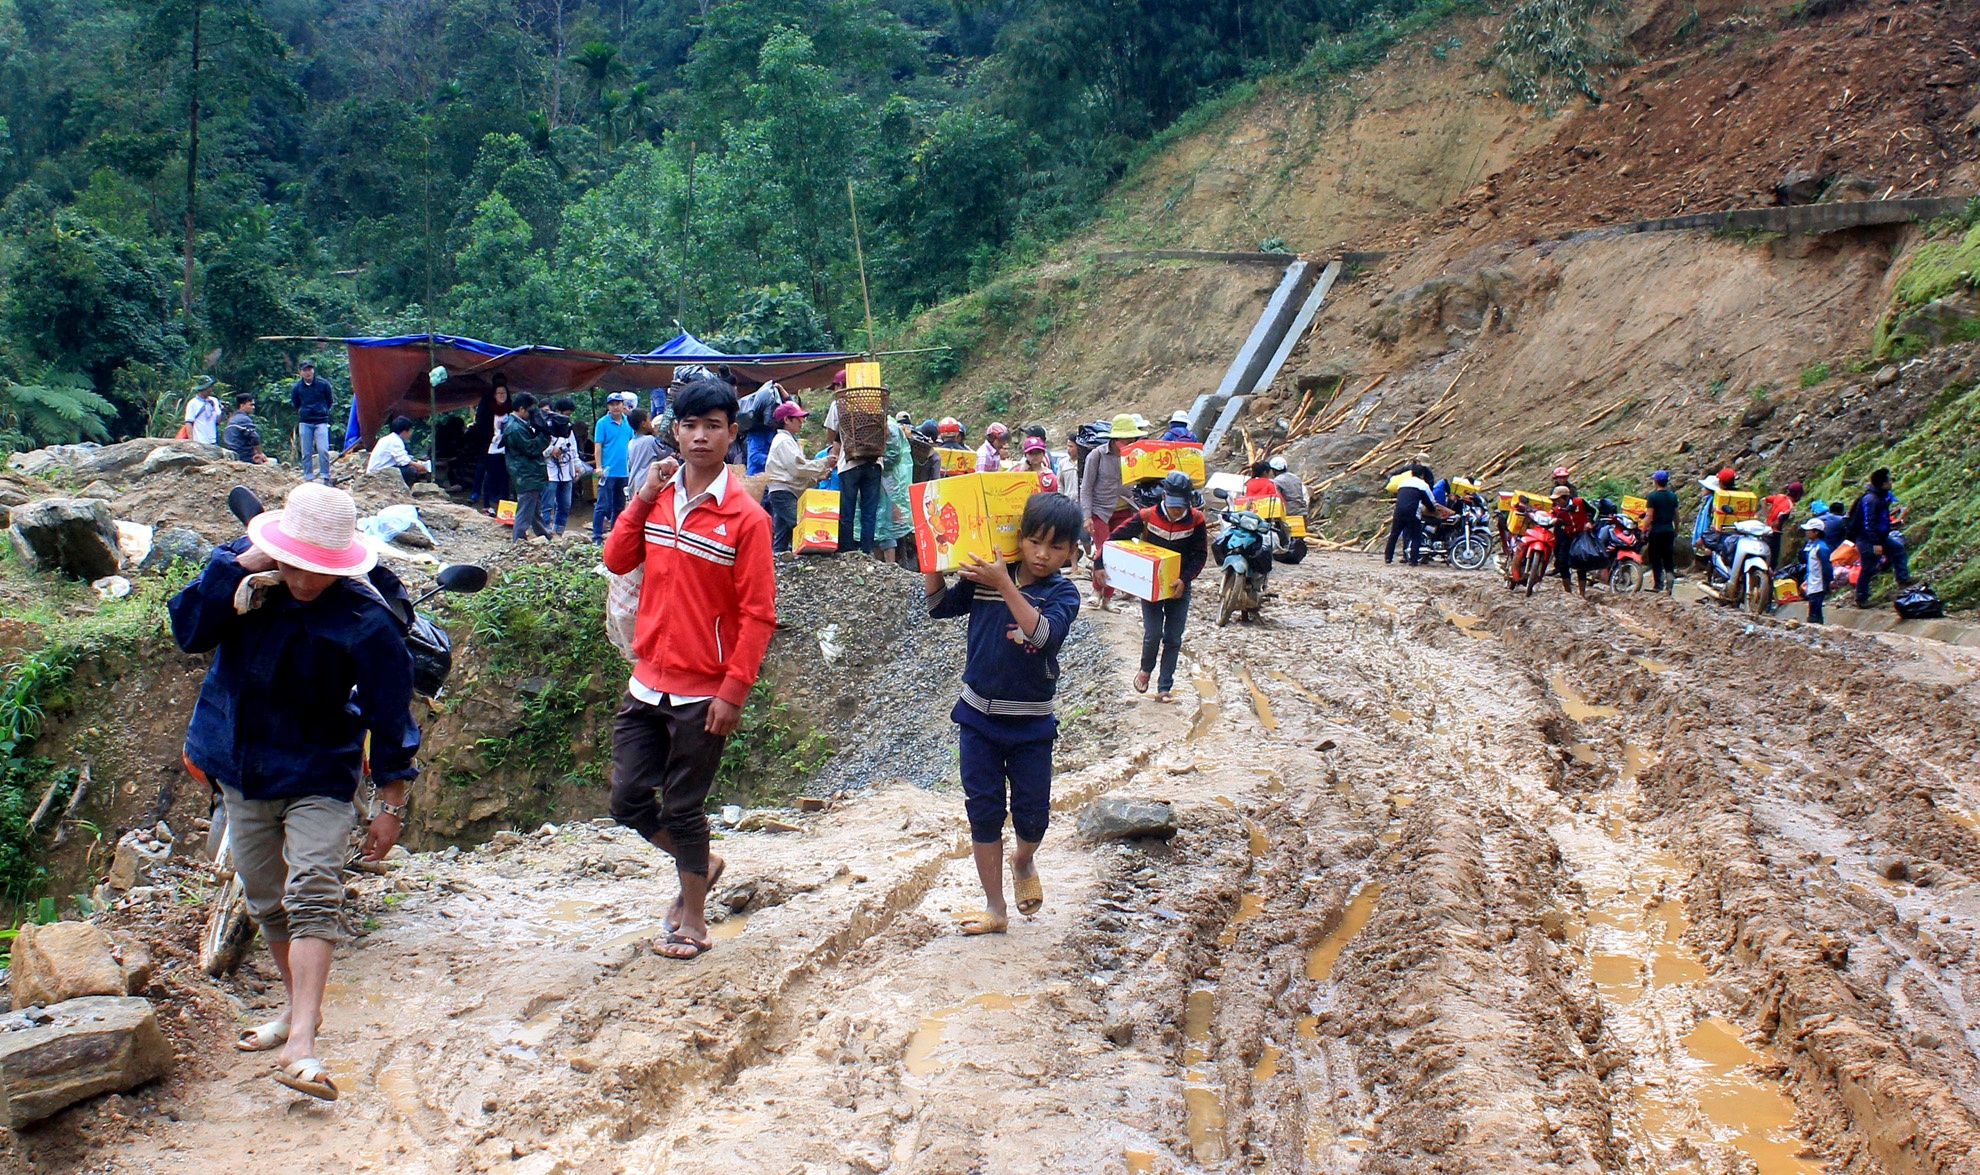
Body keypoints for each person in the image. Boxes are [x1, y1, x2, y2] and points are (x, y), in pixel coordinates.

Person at [168, 482, 417, 1102]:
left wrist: (390, 803)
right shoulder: (242, 585)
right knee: (264, 897)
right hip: (241, 768)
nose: (307, 579)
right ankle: (296, 1007)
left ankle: (302, 1041)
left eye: (321, 568)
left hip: (318, 770)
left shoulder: (364, 620)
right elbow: (188, 630)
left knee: (312, 889)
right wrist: (236, 566)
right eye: (298, 563)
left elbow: (390, 716)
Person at [603, 378, 775, 961]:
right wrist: (642, 498)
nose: (701, 436)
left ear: (732, 433)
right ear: (674, 431)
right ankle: (704, 862)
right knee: (627, 799)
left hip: (705, 690)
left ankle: (693, 922)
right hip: (647, 678)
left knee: (682, 807)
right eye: (690, 425)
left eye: (713, 426)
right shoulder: (658, 498)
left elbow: (758, 614)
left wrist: (734, 690)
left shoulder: (746, 518)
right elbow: (616, 558)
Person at [923, 493, 1083, 936]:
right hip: (977, 718)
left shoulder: (1062, 593)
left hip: (1031, 723)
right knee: (984, 812)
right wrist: (933, 556)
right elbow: (938, 607)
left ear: (1072, 551)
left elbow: (1044, 635)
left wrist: (1004, 585)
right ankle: (995, 908)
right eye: (1034, 542)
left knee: (1033, 816)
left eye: (1055, 547)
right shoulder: (987, 577)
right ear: (1020, 538)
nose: (1042, 554)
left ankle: (1023, 858)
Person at [1099, 471, 1206, 702]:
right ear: (1164, 496)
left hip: (1179, 585)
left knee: (1174, 638)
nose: (1177, 510)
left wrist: (1184, 579)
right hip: (1151, 585)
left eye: (1181, 506)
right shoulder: (1147, 516)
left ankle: (1165, 687)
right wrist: (1099, 563)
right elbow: (1115, 538)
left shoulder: (1196, 520)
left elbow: (1200, 555)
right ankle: (1146, 669)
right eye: (1173, 505)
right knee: (1153, 632)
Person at [1080, 414, 1143, 610]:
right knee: (1103, 551)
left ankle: (1107, 598)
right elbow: (1086, 487)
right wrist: (1087, 516)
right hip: (1101, 510)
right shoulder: (1097, 455)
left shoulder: (1136, 456)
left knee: (1118, 554)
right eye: (1126, 439)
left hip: (1125, 510)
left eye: (1132, 439)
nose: (1130, 442)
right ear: (1115, 439)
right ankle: (1096, 591)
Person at [824, 378, 885, 556]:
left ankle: (847, 550)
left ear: (840, 386)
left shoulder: (839, 404)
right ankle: (866, 551)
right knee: (869, 511)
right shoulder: (875, 403)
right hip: (874, 462)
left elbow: (831, 435)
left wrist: (841, 442)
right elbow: (885, 432)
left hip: (849, 464)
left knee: (847, 509)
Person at [763, 402, 834, 553]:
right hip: (784, 492)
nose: (801, 422)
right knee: (802, 525)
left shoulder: (788, 441)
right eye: (798, 418)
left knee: (782, 534)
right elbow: (797, 468)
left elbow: (795, 472)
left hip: (783, 491)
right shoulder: (784, 441)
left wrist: (817, 478)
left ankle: (778, 559)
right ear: (786, 420)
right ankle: (816, 554)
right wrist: (824, 463)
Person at [1849, 467, 1912, 607]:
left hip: (1879, 536)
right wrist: (1876, 543)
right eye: (1889, 480)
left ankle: (1903, 579)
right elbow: (1869, 523)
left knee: (1897, 549)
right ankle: (1861, 598)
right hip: (1868, 538)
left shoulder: (1880, 496)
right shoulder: (1871, 500)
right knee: (1868, 567)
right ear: (1883, 484)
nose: (1891, 482)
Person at [504, 394, 553, 541]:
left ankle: (544, 536)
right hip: (526, 473)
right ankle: (518, 541)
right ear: (521, 409)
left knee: (534, 509)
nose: (533, 414)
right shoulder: (515, 428)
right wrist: (545, 435)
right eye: (531, 410)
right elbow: (531, 448)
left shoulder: (519, 424)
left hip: (528, 473)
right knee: (525, 511)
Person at [592, 393, 636, 542]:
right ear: (608, 407)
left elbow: (632, 443)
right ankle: (596, 536)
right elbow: (598, 446)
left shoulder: (628, 422)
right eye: (612, 404)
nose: (616, 407)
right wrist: (599, 467)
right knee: (602, 505)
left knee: (619, 505)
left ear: (623, 405)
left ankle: (616, 536)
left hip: (624, 471)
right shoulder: (602, 423)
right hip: (607, 471)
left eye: (618, 403)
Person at [290, 360, 337, 484]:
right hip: (305, 421)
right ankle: (308, 476)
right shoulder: (297, 388)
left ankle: (325, 476)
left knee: (323, 449)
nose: (308, 372)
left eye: (309, 369)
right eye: (305, 370)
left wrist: (322, 410)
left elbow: (329, 401)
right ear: (300, 372)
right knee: (306, 451)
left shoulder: (323, 384)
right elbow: (295, 403)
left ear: (313, 370)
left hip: (321, 421)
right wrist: (304, 411)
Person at [876, 415, 915, 565]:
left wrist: (876, 460)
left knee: (886, 524)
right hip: (882, 481)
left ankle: (890, 564)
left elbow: (892, 458)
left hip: (888, 483)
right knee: (879, 525)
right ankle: (879, 563)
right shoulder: (879, 424)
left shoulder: (891, 427)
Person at [544, 399, 583, 537]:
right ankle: (544, 532)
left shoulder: (568, 428)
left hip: (567, 471)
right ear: (558, 412)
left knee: (565, 505)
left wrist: (577, 465)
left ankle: (558, 532)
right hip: (550, 472)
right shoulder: (545, 426)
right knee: (547, 505)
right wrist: (552, 450)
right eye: (566, 414)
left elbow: (573, 449)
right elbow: (539, 450)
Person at [475, 378, 513, 514]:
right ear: (494, 395)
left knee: (505, 477)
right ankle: (486, 505)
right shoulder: (487, 410)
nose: (502, 395)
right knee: (490, 475)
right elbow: (481, 427)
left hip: (507, 448)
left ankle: (505, 508)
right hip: (491, 447)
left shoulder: (511, 410)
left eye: (504, 393)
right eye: (499, 393)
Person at [1386, 464, 1434, 566]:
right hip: (1412, 513)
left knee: (1394, 534)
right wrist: (1433, 510)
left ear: (1411, 473)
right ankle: (1413, 560)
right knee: (1416, 535)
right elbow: (1430, 501)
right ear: (1422, 475)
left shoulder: (1402, 483)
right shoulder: (1423, 485)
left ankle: (1388, 557)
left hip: (1398, 512)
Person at [737, 381, 788, 476]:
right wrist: (775, 461)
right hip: (756, 477)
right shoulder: (758, 431)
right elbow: (754, 456)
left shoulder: (776, 432)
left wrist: (782, 390)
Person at [1550, 485, 1594, 592]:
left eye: (1559, 500)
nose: (1557, 503)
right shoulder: (1556, 510)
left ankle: (1582, 592)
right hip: (1566, 537)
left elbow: (1592, 511)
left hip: (1580, 536)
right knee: (1562, 563)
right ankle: (1568, 590)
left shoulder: (1580, 502)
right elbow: (1551, 518)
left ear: (1566, 498)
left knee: (1581, 563)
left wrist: (1589, 522)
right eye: (1555, 501)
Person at [365, 416, 430, 488]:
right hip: (378, 473)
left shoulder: (389, 438)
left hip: (377, 470)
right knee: (411, 470)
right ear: (404, 431)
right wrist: (419, 466)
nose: (410, 433)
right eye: (409, 431)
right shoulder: (395, 441)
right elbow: (403, 461)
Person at [1644, 470, 1680, 593]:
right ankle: (1670, 581)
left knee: (1655, 557)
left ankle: (1658, 584)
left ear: (1656, 481)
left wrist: (1643, 530)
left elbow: (1649, 515)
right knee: (1668, 557)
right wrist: (1676, 529)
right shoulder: (1673, 496)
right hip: (1669, 530)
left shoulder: (1652, 496)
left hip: (1656, 531)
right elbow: (1676, 516)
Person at [1762, 480, 1803, 566]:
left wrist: (1767, 516)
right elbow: (1781, 515)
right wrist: (1776, 523)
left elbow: (1763, 500)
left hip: (1765, 529)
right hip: (1774, 533)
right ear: (1798, 494)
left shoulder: (1779, 496)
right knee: (1773, 559)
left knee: (1763, 554)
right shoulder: (1789, 505)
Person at [1800, 516, 1832, 625]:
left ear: (1816, 532)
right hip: (1813, 582)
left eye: (1809, 530)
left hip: (1818, 584)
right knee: (1814, 609)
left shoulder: (1821, 548)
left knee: (1815, 610)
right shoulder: (1813, 546)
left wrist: (1828, 581)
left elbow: (1826, 566)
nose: (1806, 533)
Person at [224, 392, 266, 463]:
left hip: (233, 454)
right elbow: (254, 437)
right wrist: (260, 453)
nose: (253, 407)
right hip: (245, 456)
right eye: (251, 405)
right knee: (273, 461)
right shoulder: (244, 419)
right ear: (242, 405)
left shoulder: (232, 419)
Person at [184, 377, 223, 447]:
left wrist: (218, 409)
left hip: (213, 441)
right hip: (199, 441)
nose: (210, 389)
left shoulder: (214, 400)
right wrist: (191, 441)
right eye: (208, 387)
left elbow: (217, 421)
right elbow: (189, 422)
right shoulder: (193, 403)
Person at [626, 408, 659, 491]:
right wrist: (657, 435)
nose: (651, 422)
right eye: (649, 420)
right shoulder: (649, 440)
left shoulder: (631, 442)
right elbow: (664, 452)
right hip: (647, 480)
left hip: (634, 481)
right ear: (643, 424)